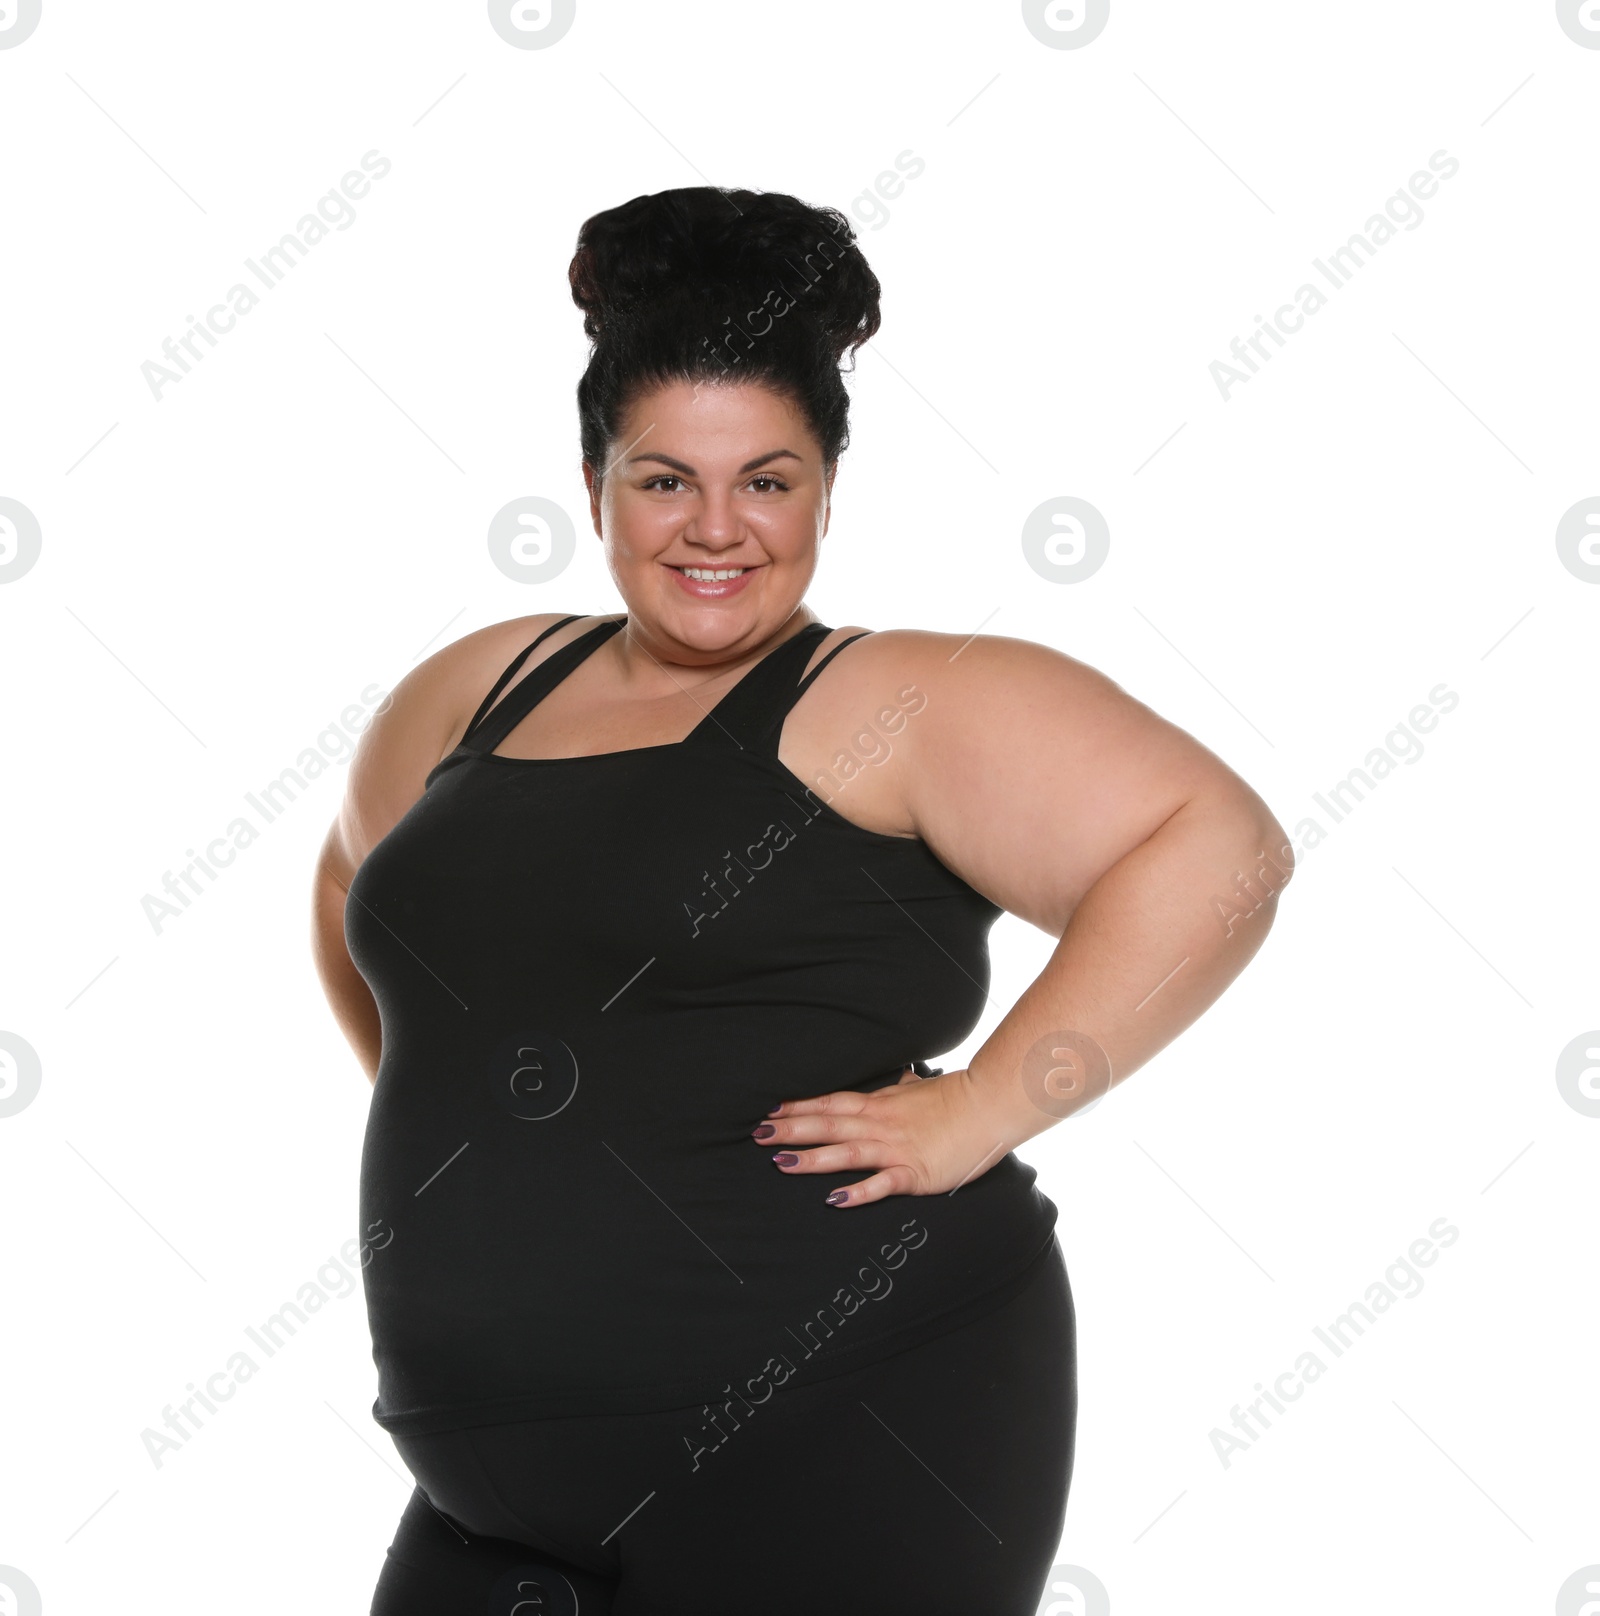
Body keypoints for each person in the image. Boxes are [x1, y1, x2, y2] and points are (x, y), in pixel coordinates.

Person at [311, 185, 1292, 1614]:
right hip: (484, 1493)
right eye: (665, 480)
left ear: (827, 490)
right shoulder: (484, 683)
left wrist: (986, 1106)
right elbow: (356, 882)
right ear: (593, 489)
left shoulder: (899, 700)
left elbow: (1218, 848)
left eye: (767, 480)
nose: (719, 529)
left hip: (844, 1428)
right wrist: (470, 1117)